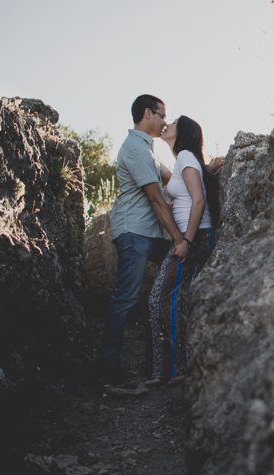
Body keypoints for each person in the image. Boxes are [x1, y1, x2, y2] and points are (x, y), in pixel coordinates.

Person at [101, 94, 189, 385]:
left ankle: (162, 363)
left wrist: (204, 170)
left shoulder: (149, 149)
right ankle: (110, 368)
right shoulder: (135, 148)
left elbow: (171, 179)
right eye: (162, 115)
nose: (165, 121)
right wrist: (179, 238)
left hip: (149, 233)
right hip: (134, 232)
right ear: (148, 113)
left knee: (175, 278)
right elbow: (156, 199)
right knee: (125, 298)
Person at [145, 115, 222, 386]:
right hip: (194, 237)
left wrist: (186, 241)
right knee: (179, 300)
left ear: (184, 132)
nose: (168, 123)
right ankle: (176, 368)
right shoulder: (185, 159)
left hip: (195, 238)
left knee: (158, 298)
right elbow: (192, 192)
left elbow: (198, 201)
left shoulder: (186, 156)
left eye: (175, 121)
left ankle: (170, 369)